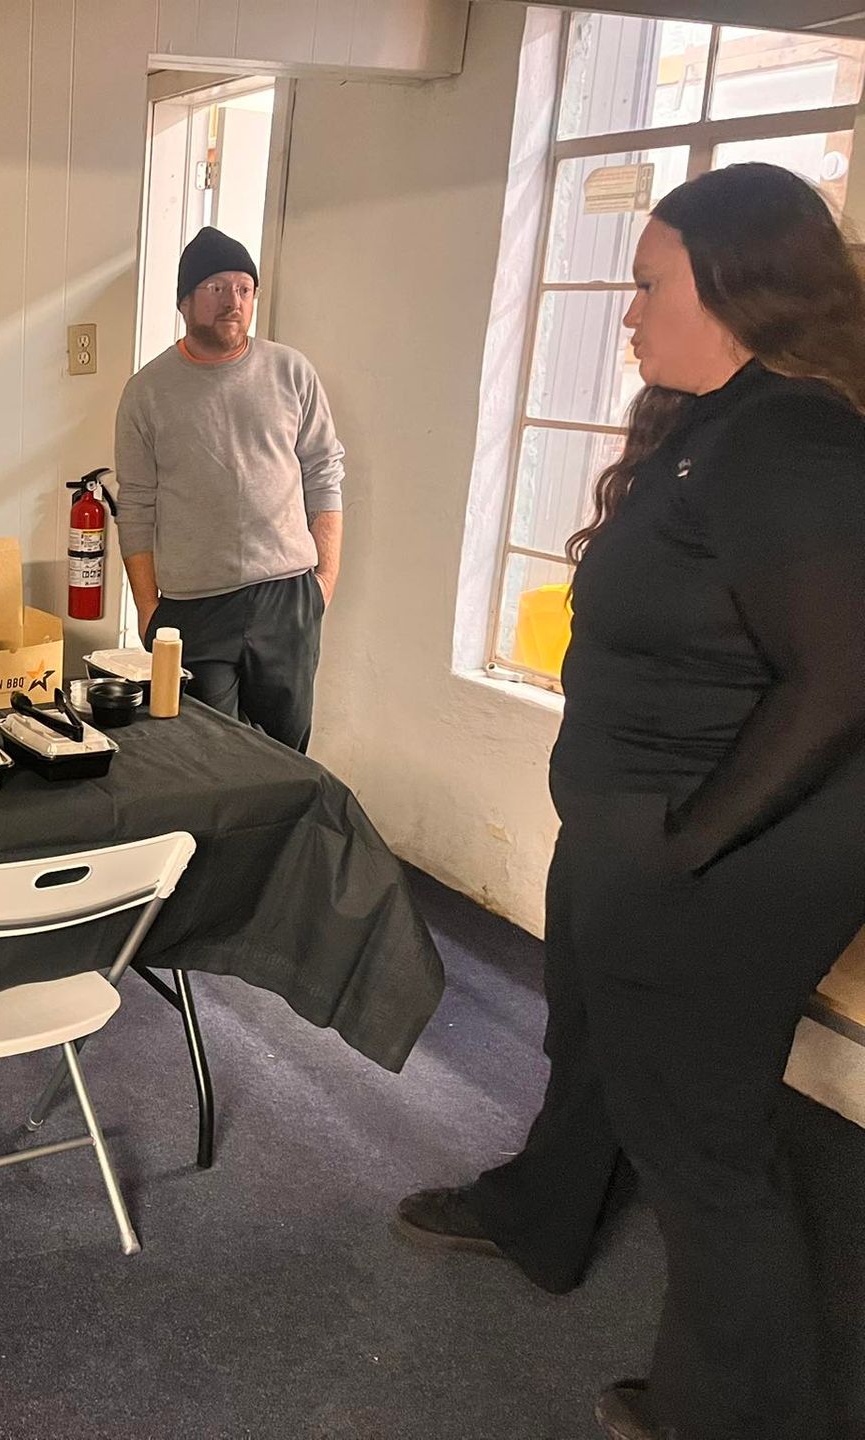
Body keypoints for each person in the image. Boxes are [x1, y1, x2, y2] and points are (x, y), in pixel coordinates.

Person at [395, 164, 865, 1440]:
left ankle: (748, 1414)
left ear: (735, 286)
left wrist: (688, 844)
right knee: (595, 1038)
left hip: (721, 858)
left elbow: (840, 680)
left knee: (702, 1143)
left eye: (650, 283)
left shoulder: (797, 439)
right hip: (637, 827)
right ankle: (548, 1216)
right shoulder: (719, 423)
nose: (629, 310)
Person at [113, 226, 345, 751]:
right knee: (203, 753)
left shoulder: (290, 372)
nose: (232, 301)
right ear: (185, 301)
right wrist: (149, 610)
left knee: (286, 754)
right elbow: (136, 505)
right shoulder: (147, 392)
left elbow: (324, 472)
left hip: (287, 597)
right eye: (216, 288)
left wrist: (324, 580)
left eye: (243, 288)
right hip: (194, 605)